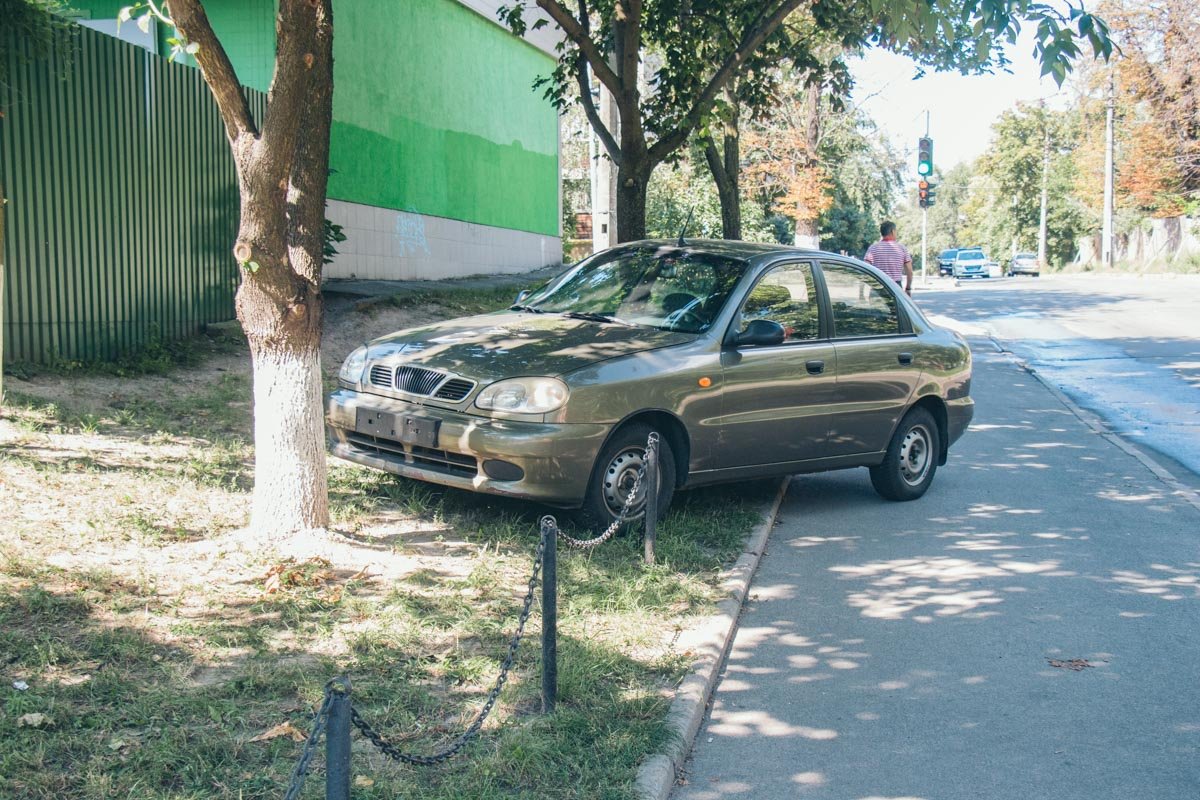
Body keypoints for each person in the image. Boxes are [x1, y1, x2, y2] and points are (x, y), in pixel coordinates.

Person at [863, 221, 913, 296]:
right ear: (893, 231)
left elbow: (865, 269)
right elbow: (909, 271)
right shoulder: (902, 248)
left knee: (878, 307)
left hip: (877, 286)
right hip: (895, 287)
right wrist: (908, 288)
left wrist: (863, 291)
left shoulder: (873, 248)